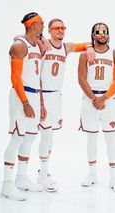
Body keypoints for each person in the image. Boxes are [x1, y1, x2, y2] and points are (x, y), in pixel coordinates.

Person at [37, 18, 94, 192]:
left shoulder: (65, 47)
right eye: (57, 28)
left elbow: (83, 45)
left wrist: (90, 47)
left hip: (56, 96)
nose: (61, 30)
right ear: (50, 30)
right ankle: (39, 174)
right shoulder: (41, 45)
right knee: (40, 136)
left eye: (63, 27)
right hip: (41, 94)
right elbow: (18, 37)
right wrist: (40, 37)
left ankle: (43, 171)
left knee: (49, 135)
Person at [0, 12, 47, 201]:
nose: (43, 26)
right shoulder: (19, 46)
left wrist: (41, 103)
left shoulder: (35, 46)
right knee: (16, 138)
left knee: (29, 138)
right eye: (42, 23)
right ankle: (7, 185)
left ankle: (21, 178)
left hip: (35, 94)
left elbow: (38, 77)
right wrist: (26, 102)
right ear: (34, 25)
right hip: (22, 96)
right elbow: (15, 78)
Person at [78, 22, 115, 192]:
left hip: (108, 100)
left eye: (105, 32)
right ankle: (92, 174)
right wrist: (93, 98)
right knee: (91, 139)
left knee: (111, 139)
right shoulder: (84, 56)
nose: (102, 34)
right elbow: (81, 79)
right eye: (98, 32)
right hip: (90, 100)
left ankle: (114, 176)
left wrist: (103, 98)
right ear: (93, 35)